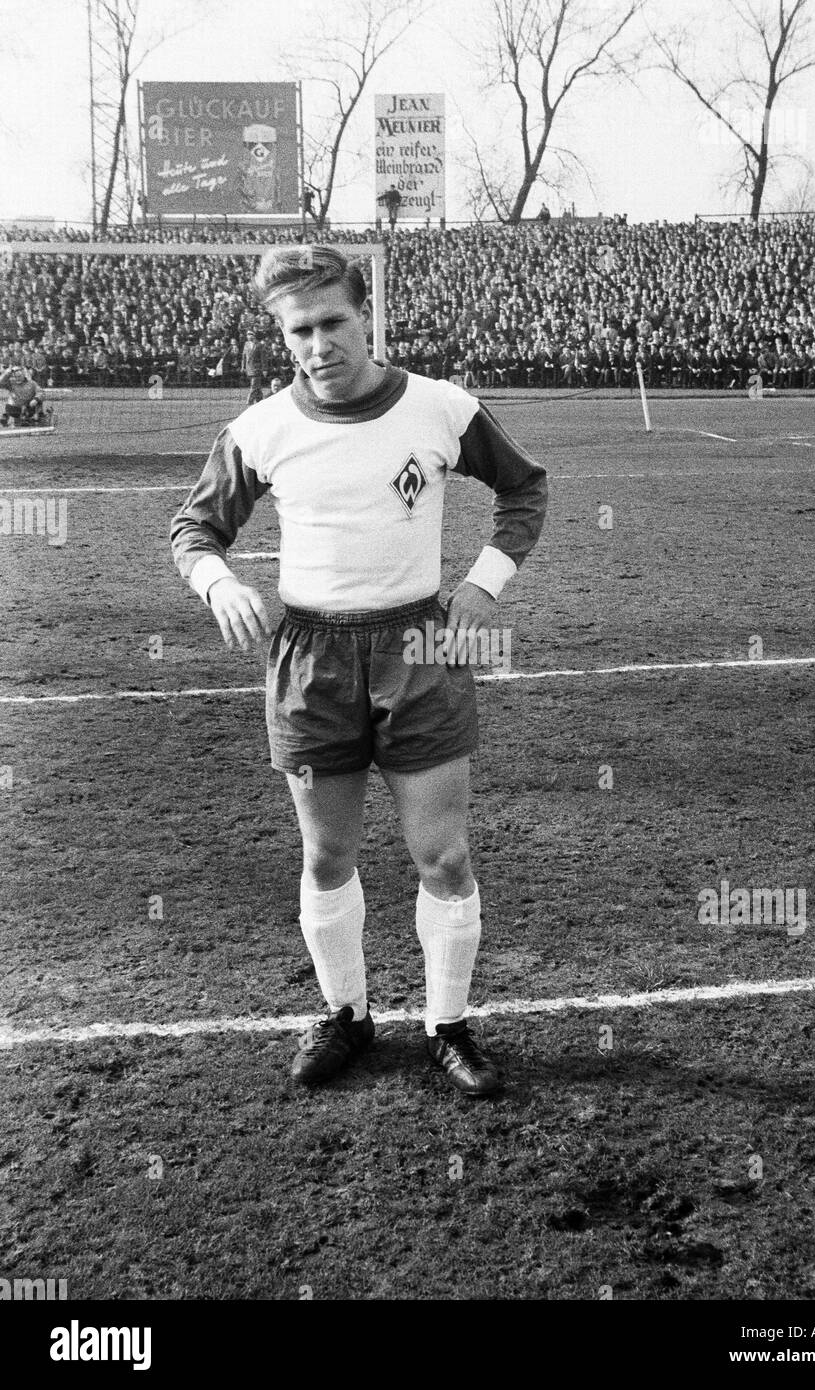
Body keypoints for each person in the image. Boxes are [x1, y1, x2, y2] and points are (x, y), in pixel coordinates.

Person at [170, 246, 547, 1097]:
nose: (317, 344)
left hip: (420, 648)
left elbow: (525, 489)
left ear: (365, 314)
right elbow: (194, 530)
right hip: (309, 659)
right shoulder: (261, 429)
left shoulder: (441, 409)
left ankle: (447, 1026)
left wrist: (484, 584)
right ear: (282, 335)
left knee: (442, 856)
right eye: (298, 330)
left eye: (332, 322)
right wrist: (219, 581)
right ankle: (347, 1013)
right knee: (326, 855)